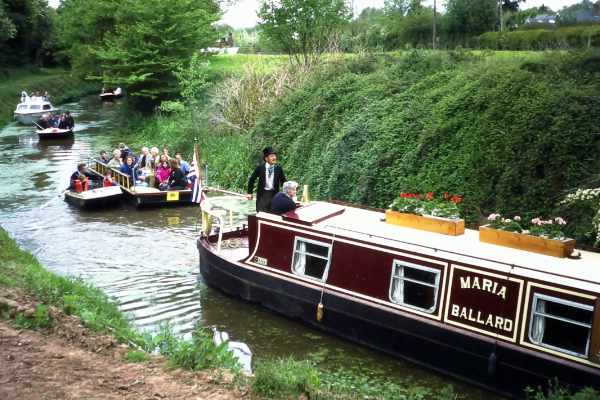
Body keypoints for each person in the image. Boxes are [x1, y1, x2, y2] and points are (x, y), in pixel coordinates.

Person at [247, 146, 286, 212]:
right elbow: (252, 179)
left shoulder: (278, 168)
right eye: (271, 156)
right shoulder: (260, 168)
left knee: (273, 214)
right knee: (261, 214)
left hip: (274, 195)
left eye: (275, 156)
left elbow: (283, 181)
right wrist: (249, 193)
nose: (274, 158)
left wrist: (288, 192)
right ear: (266, 158)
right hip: (262, 195)